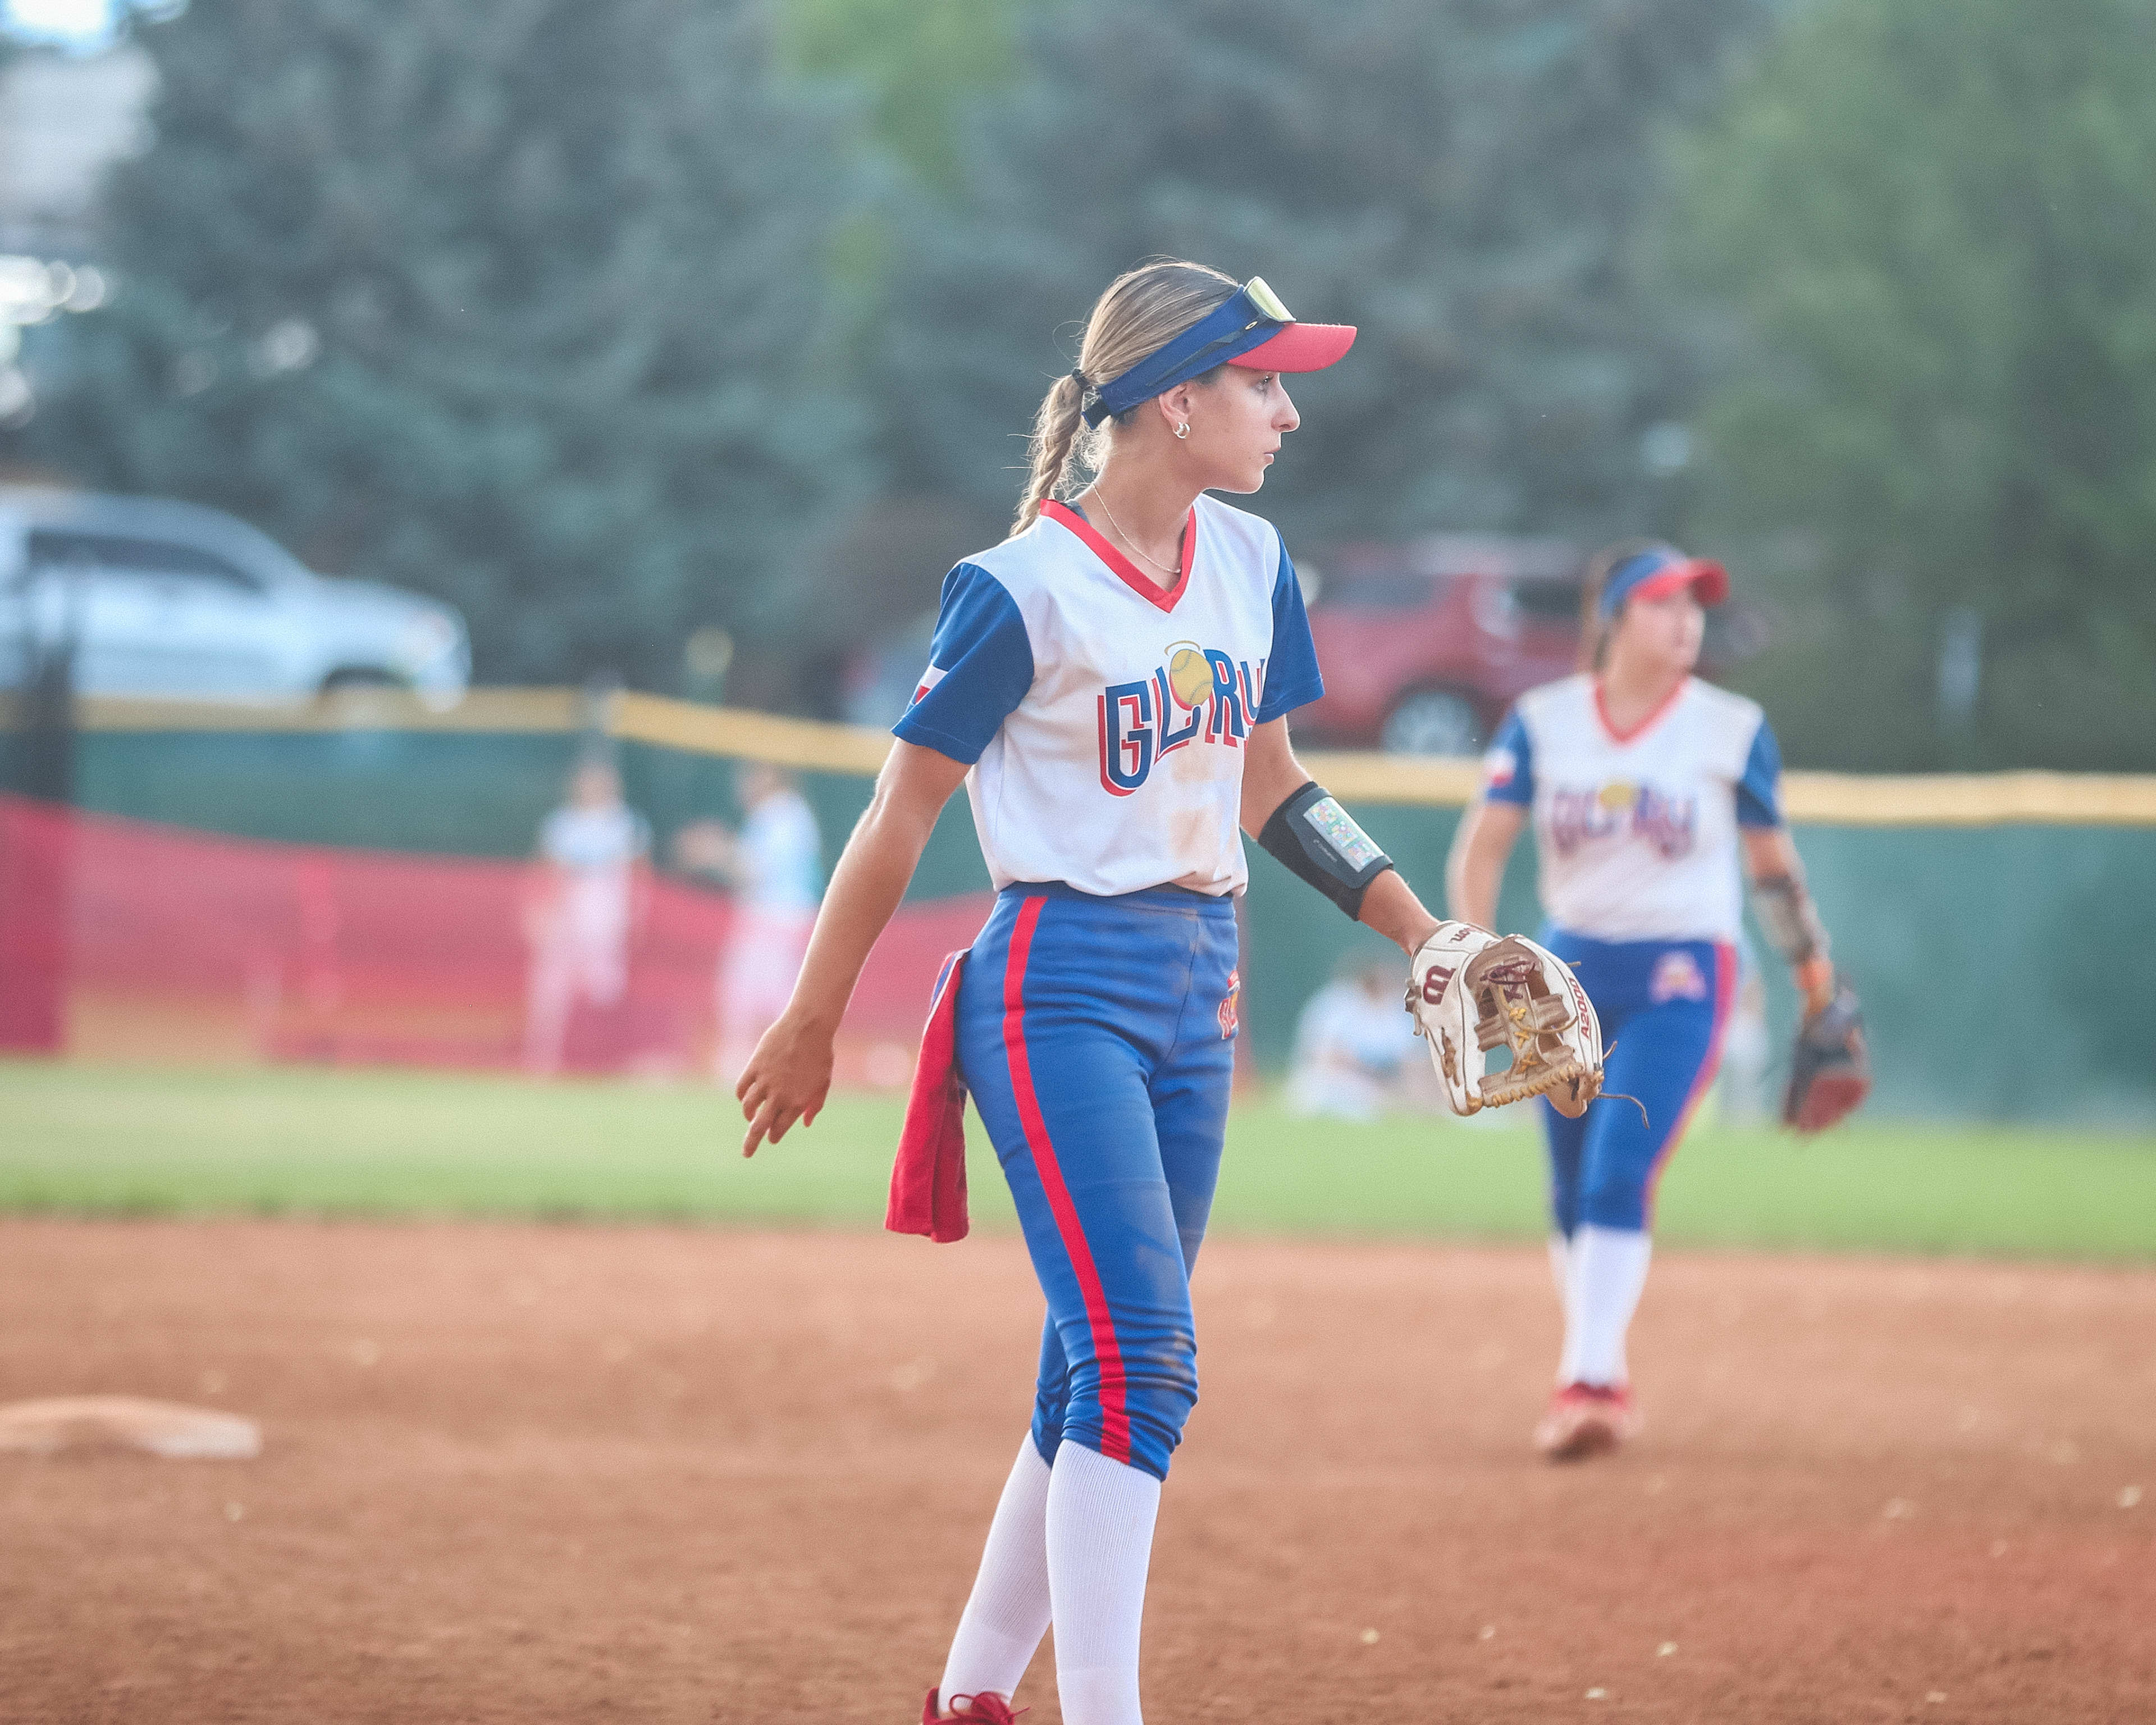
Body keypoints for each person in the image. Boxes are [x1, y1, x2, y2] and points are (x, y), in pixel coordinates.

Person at [733, 262, 1455, 1725]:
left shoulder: (1251, 560)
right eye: (1263, 383)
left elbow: (1274, 787)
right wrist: (812, 1016)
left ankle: (971, 1700)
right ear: (1176, 401)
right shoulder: (1021, 588)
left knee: (1094, 1372)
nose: (1287, 413)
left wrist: (1422, 932)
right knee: (1146, 1366)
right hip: (1060, 988)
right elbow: (899, 812)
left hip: (1202, 990)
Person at [1445, 539, 1845, 1461]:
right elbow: (1481, 848)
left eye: (1695, 604)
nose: (1686, 621)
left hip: (1683, 971)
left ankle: (1590, 1380)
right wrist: (1482, 962)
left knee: (1617, 1167)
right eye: (1665, 603)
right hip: (1565, 971)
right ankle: (1597, 1366)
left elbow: (1773, 870)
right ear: (1614, 618)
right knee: (1568, 1182)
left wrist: (1812, 973)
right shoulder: (1544, 721)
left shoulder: (1730, 728)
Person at [672, 763, 823, 1081]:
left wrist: (715, 849)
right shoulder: (784, 814)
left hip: (776, 919)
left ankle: (760, 1070)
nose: (744, 784)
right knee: (758, 997)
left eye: (752, 776)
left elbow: (754, 872)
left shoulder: (780, 814)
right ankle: (763, 1069)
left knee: (755, 998)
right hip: (778, 919)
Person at [521, 756, 650, 1074]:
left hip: (606, 907)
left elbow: (637, 875)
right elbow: (548, 871)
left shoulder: (626, 824)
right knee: (552, 984)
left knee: (605, 984)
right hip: (567, 905)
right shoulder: (562, 823)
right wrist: (539, 911)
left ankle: (603, 1055)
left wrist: (636, 915)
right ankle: (543, 1058)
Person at [1286, 952, 1428, 1122]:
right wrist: (1372, 1074)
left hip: (1385, 1086)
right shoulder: (1337, 1003)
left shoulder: (1398, 1010)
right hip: (1333, 1081)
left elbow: (1414, 1063)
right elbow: (1325, 1058)